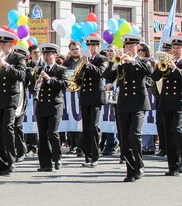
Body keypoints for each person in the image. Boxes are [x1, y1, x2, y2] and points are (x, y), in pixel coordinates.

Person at [104, 35, 152, 182]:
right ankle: (130, 170)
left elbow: (149, 72)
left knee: (134, 134)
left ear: (138, 47)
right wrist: (114, 63)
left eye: (131, 46)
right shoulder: (121, 62)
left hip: (138, 103)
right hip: (123, 104)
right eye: (126, 46)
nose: (128, 49)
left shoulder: (143, 60)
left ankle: (139, 165)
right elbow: (107, 76)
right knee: (124, 138)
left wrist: (134, 61)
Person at [152, 36, 182, 176]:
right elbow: (155, 77)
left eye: (178, 48)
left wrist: (174, 68)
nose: (175, 50)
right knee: (167, 133)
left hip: (179, 102)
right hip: (166, 101)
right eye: (173, 48)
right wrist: (160, 65)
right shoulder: (166, 62)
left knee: (176, 130)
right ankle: (172, 165)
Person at [0, 30, 26, 176]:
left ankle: (11, 161)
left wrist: (5, 65)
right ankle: (1, 165)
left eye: (5, 43)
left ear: (11, 44)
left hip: (11, 97)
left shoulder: (18, 57)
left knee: (7, 127)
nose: (2, 46)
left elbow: (21, 75)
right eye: (1, 43)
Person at [34, 44, 68, 172]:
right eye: (45, 55)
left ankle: (57, 158)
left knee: (52, 132)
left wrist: (49, 79)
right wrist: (36, 85)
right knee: (42, 135)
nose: (46, 57)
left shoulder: (61, 69)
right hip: (42, 105)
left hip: (55, 105)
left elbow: (64, 84)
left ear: (55, 55)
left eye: (49, 54)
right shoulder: (39, 69)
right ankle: (45, 164)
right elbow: (33, 87)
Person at [78, 35, 109, 167]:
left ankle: (95, 156)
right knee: (85, 128)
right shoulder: (84, 59)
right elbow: (79, 76)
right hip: (85, 96)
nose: (91, 48)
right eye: (89, 46)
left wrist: (88, 64)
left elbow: (100, 73)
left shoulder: (103, 59)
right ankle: (88, 156)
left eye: (94, 46)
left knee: (93, 127)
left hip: (96, 96)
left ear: (99, 46)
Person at [63, 41, 84, 157]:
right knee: (70, 119)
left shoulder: (84, 61)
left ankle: (81, 146)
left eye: (76, 49)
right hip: (69, 95)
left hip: (81, 94)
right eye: (72, 49)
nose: (75, 51)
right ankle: (72, 144)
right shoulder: (66, 63)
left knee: (80, 121)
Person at [11, 44, 30, 163]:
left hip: (21, 98)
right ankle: (14, 150)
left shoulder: (26, 69)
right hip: (11, 97)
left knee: (18, 126)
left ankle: (21, 151)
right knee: (10, 126)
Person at [138, 43, 156, 155]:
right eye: (139, 50)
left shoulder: (148, 62)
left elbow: (152, 77)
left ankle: (150, 145)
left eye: (143, 50)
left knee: (149, 120)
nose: (141, 52)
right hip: (137, 94)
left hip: (148, 92)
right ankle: (143, 145)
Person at [25, 45, 43, 155]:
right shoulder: (28, 66)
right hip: (31, 95)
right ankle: (32, 146)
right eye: (34, 52)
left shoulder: (44, 64)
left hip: (45, 96)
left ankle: (42, 145)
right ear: (30, 55)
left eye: (38, 52)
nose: (37, 54)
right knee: (31, 121)